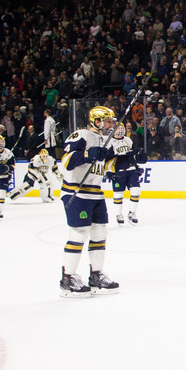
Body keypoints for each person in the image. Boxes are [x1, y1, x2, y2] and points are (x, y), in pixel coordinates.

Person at [59, 105, 119, 298]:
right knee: (78, 234)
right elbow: (67, 160)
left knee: (100, 232)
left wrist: (131, 160)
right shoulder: (81, 135)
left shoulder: (106, 141)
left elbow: (109, 164)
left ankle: (96, 274)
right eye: (108, 121)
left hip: (95, 193)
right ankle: (67, 279)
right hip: (76, 192)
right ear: (97, 121)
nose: (112, 124)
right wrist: (87, 154)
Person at [108, 122, 148, 225]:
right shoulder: (109, 142)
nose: (121, 130)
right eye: (118, 128)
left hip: (131, 169)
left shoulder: (128, 140)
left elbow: (132, 155)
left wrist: (136, 166)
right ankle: (118, 214)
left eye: (122, 128)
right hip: (118, 171)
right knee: (118, 194)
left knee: (136, 191)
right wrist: (108, 171)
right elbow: (107, 159)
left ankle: (132, 213)